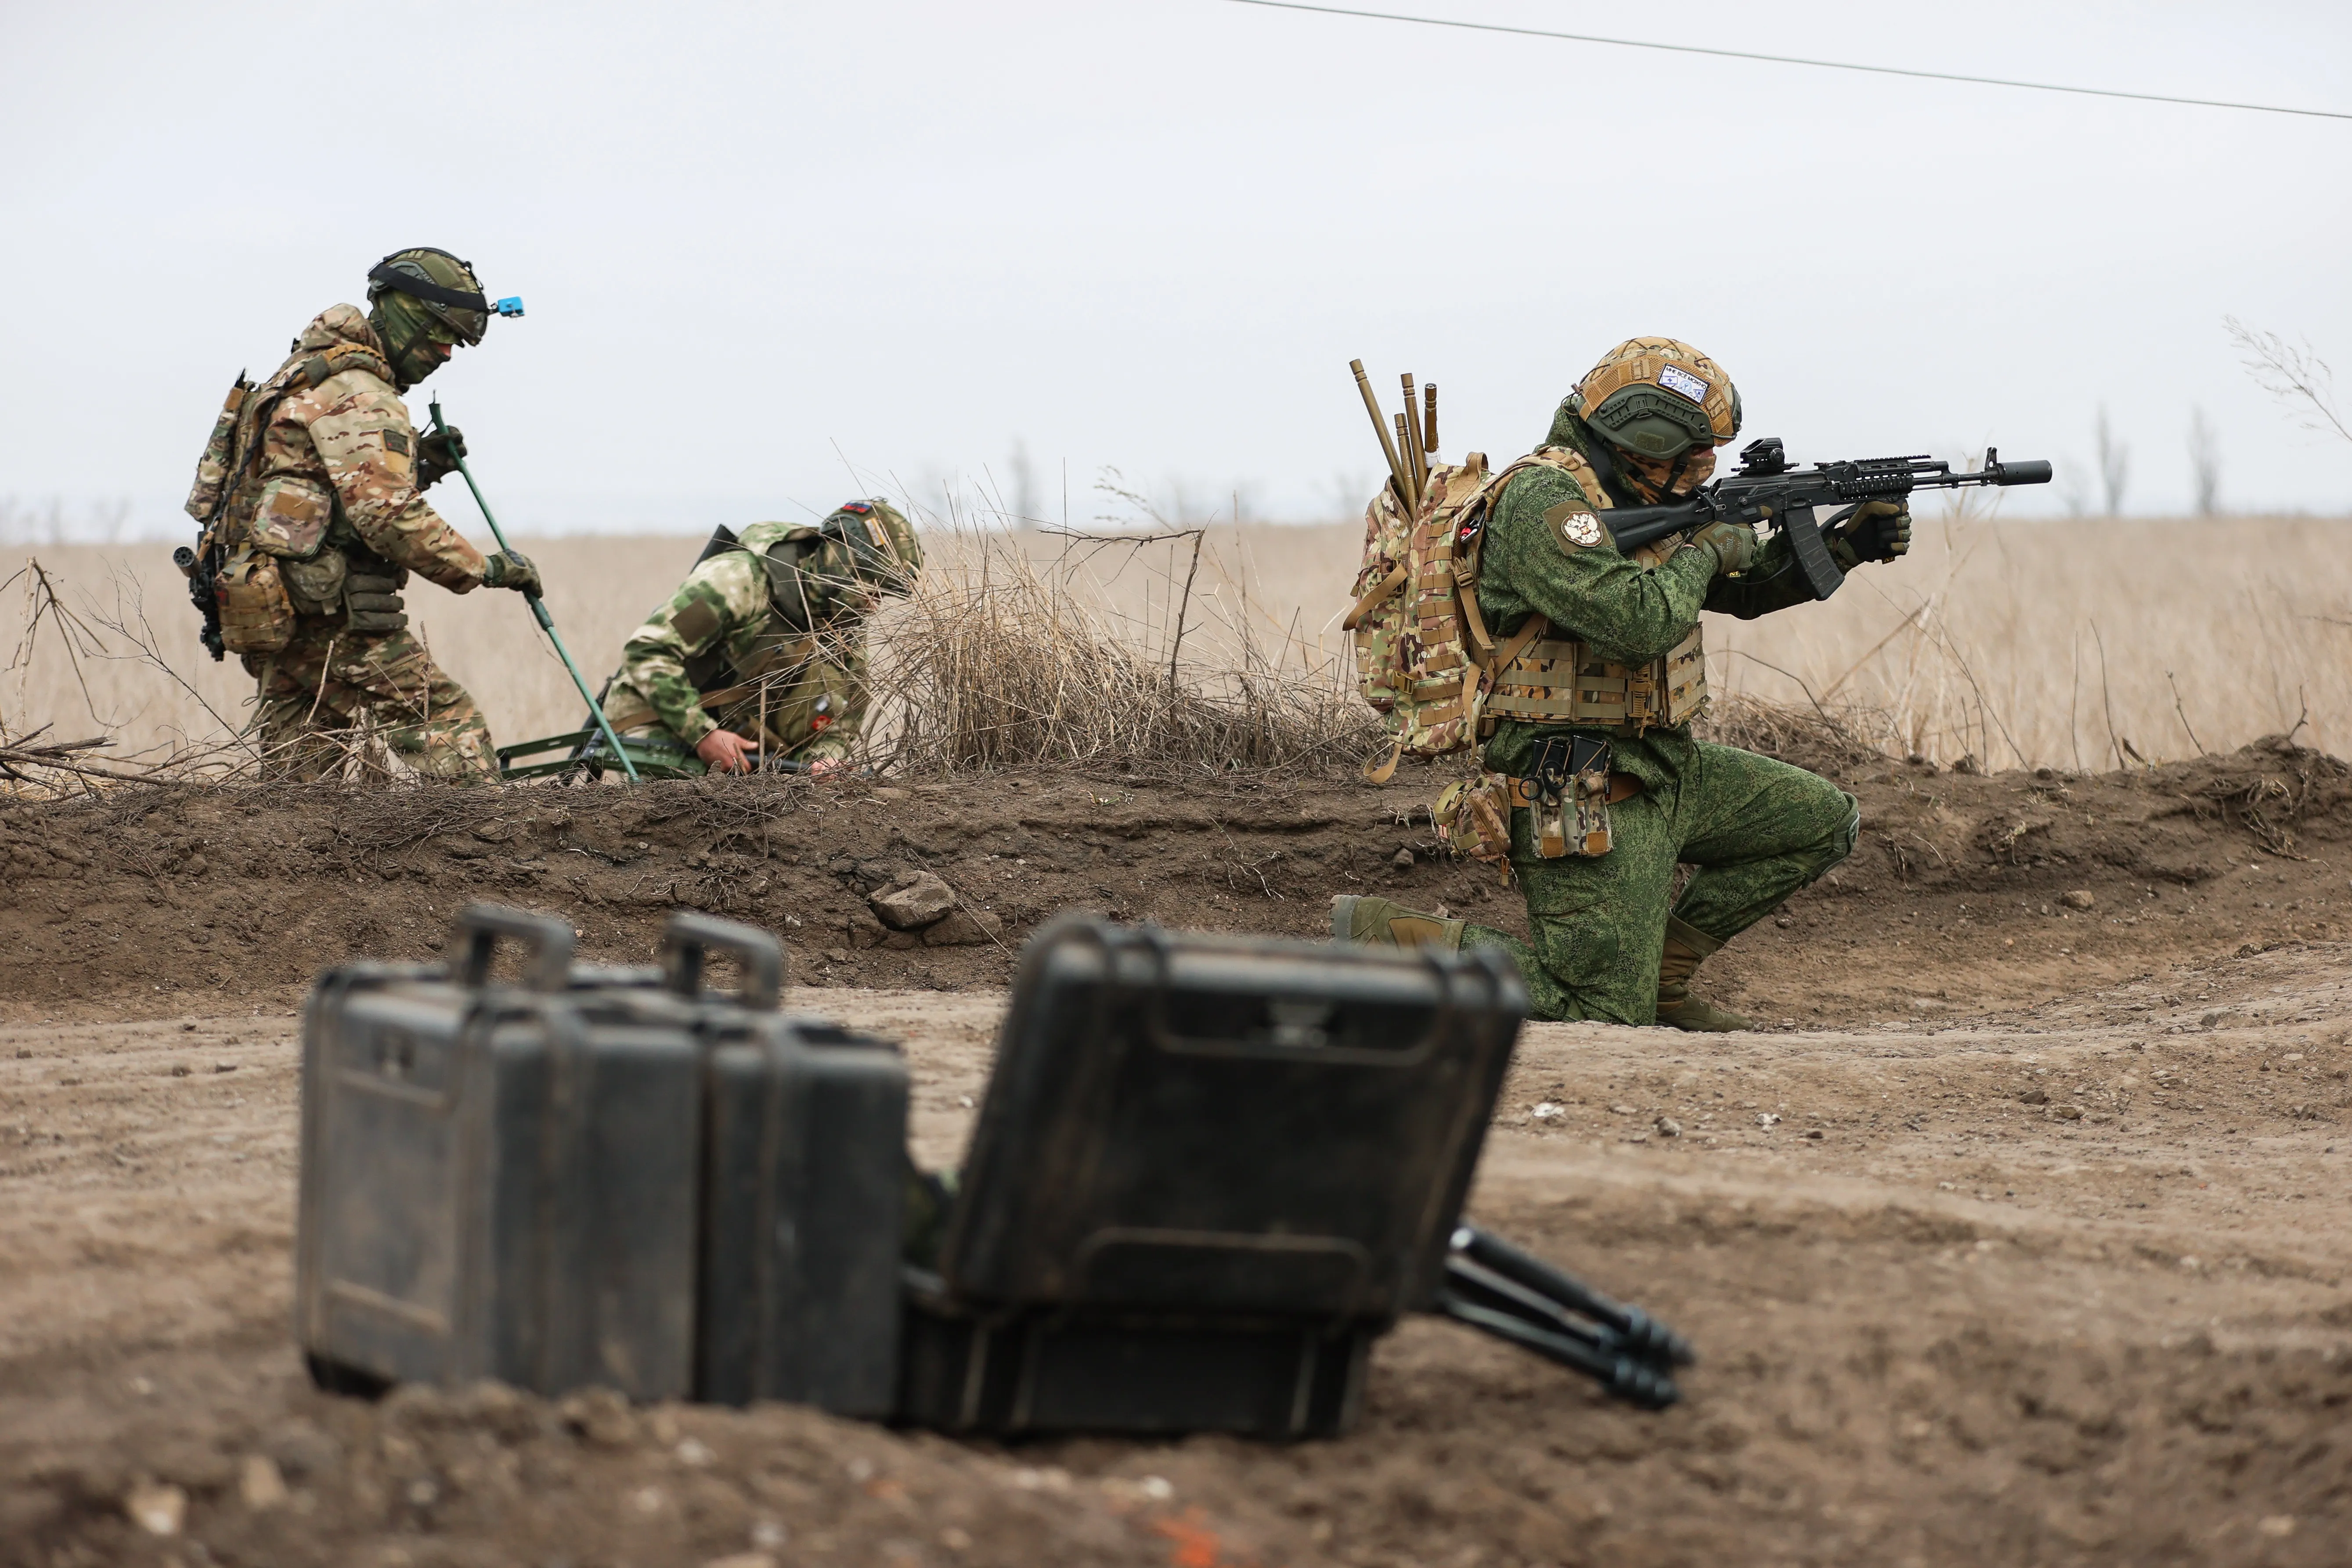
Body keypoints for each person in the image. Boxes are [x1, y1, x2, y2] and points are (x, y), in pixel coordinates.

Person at [1333, 338, 1912, 1030]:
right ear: (1644, 436)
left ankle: (1659, 978)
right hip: (1573, 781)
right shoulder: (1543, 500)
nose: (1706, 469)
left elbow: (1744, 585)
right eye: (1693, 454)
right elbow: (1637, 622)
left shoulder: (1643, 495)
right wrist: (1704, 549)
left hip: (1665, 763)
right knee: (1598, 1009)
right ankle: (1390, 942)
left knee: (1823, 822)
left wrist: (1847, 542)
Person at [182, 247, 541, 779]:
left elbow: (318, 489)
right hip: (332, 611)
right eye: (441, 334)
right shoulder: (361, 393)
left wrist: (423, 463)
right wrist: (483, 568)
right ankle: (492, 850)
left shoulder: (305, 374)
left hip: (278, 613)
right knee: (444, 720)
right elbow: (386, 515)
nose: (445, 353)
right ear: (406, 315)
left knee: (300, 778)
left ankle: (282, 859)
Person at [599, 501, 921, 775]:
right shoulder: (737, 579)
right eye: (872, 586)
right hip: (663, 721)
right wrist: (704, 734)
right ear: (842, 561)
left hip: (750, 747)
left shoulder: (844, 618)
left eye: (883, 594)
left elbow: (847, 712)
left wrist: (826, 760)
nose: (874, 603)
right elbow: (649, 650)